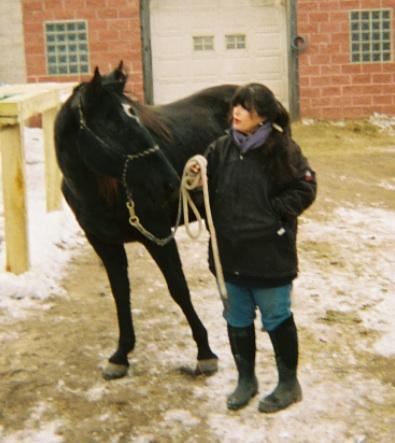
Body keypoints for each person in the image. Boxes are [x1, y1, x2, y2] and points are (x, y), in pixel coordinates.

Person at [191, 83, 317, 413]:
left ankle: (289, 384)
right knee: (237, 318)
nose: (236, 112)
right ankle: (246, 380)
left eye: (244, 108)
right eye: (235, 106)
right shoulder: (219, 149)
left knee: (276, 317)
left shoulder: (283, 149)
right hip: (230, 254)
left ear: (261, 116)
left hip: (270, 254)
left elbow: (306, 188)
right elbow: (200, 191)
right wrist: (196, 177)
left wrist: (272, 213)